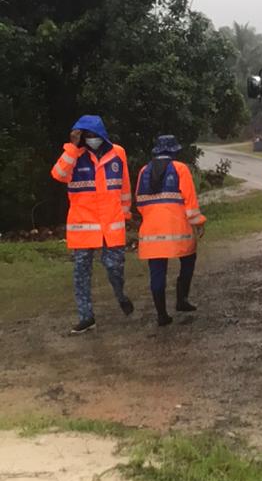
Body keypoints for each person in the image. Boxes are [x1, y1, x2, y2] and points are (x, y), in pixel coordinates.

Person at [50, 115, 134, 334]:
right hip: (83, 226)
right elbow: (58, 174)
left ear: (101, 134)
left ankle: (121, 295)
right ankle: (86, 317)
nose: (90, 139)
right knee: (81, 274)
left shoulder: (118, 153)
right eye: (85, 135)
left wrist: (125, 213)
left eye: (92, 135)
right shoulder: (74, 155)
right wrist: (72, 147)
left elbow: (124, 186)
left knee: (114, 268)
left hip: (112, 224)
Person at [135, 135, 206, 326]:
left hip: (151, 232)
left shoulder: (143, 171)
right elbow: (190, 202)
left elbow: (139, 203)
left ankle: (162, 315)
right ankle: (182, 300)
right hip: (178, 229)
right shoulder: (180, 169)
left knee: (157, 272)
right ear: (174, 150)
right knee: (188, 260)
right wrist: (198, 222)